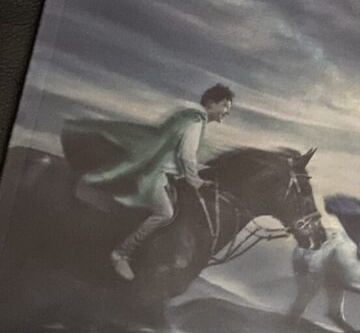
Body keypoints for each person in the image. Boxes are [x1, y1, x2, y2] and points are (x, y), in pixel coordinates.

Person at [65, 84, 234, 282]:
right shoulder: (195, 121)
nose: (227, 112)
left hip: (159, 170)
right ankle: (121, 253)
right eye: (225, 106)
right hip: (154, 172)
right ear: (211, 103)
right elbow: (186, 156)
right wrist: (195, 181)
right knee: (165, 213)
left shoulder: (186, 115)